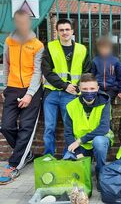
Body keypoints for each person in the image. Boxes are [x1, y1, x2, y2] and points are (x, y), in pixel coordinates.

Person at [0, 10, 44, 184]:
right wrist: (5, 87)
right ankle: (26, 153)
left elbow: (37, 72)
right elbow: (6, 65)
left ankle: (13, 165)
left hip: (31, 90)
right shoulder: (9, 41)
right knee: (6, 126)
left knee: (26, 127)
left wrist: (29, 94)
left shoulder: (37, 45)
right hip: (12, 88)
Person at [42, 19, 91, 156]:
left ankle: (68, 154)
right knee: (49, 127)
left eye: (67, 29)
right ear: (57, 32)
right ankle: (48, 156)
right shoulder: (50, 47)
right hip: (51, 93)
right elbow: (47, 71)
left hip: (71, 95)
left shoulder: (82, 49)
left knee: (70, 127)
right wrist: (65, 86)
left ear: (72, 31)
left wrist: (77, 88)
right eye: (61, 30)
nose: (64, 32)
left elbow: (87, 71)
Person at [64, 73, 113, 189]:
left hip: (100, 140)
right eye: (85, 89)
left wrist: (79, 141)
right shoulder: (71, 106)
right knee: (67, 159)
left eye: (92, 88)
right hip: (81, 145)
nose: (89, 91)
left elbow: (104, 128)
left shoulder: (104, 103)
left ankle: (100, 172)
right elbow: (68, 133)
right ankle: (85, 168)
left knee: (99, 142)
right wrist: (77, 152)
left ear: (97, 89)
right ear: (79, 89)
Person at [91, 36, 121, 102]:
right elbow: (92, 76)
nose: (104, 50)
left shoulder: (115, 61)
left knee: (107, 101)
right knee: (99, 101)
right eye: (102, 48)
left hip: (112, 88)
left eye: (106, 48)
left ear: (110, 48)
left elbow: (120, 77)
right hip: (99, 88)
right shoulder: (95, 61)